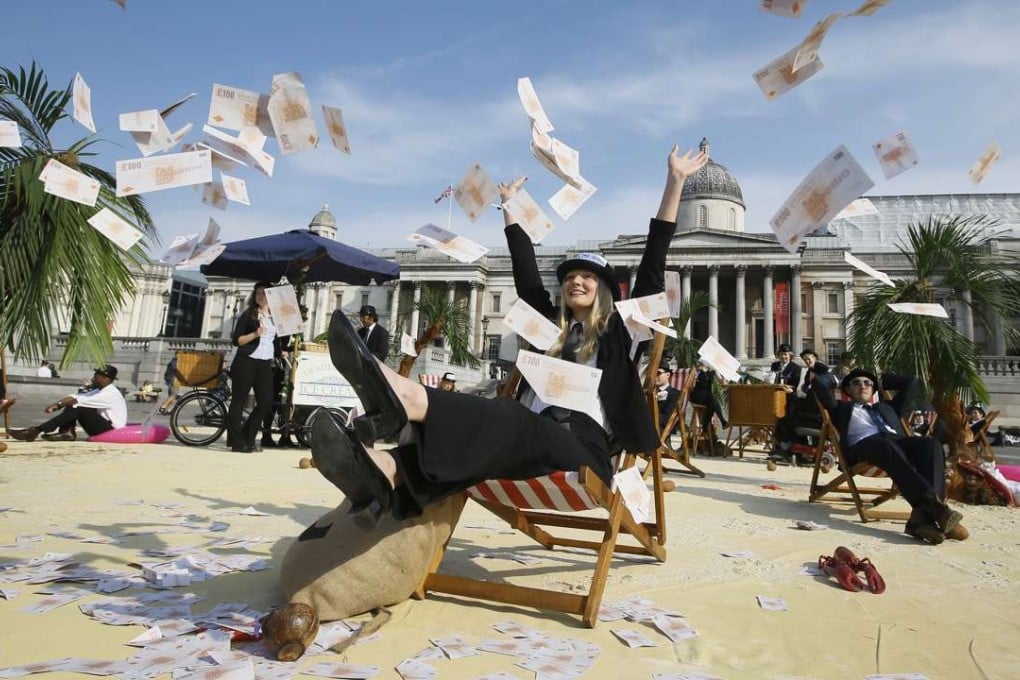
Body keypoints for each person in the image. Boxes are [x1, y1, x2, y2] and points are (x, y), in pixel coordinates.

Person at [308, 144, 708, 524]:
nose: (576, 282)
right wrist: (509, 207)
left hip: (582, 446)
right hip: (529, 439)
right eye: (569, 277)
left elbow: (654, 260)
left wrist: (675, 182)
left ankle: (404, 396)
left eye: (587, 276)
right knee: (490, 429)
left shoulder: (623, 332)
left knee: (508, 418)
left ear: (603, 288)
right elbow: (526, 274)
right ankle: (384, 468)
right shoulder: (550, 329)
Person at [813, 367, 967, 544]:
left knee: (930, 443)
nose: (862, 386)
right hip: (863, 447)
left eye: (867, 383)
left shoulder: (888, 408)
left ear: (873, 389)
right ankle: (939, 510)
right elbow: (819, 383)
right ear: (847, 389)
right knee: (885, 445)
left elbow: (912, 383)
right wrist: (838, 377)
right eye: (856, 383)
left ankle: (921, 520)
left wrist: (881, 380)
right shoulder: (840, 408)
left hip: (897, 444)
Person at [227, 281, 290, 453]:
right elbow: (237, 341)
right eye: (258, 293)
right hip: (246, 361)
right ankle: (237, 442)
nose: (260, 296)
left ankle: (247, 436)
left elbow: (275, 341)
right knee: (238, 402)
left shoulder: (276, 318)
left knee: (265, 402)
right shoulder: (249, 315)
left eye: (264, 293)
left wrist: (280, 352)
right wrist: (255, 333)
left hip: (264, 363)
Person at [8, 366, 126, 442]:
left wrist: (59, 405)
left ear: (107, 379)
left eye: (96, 376)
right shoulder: (99, 391)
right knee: (74, 405)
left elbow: (77, 402)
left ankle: (36, 430)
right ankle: (66, 432)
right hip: (103, 427)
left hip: (112, 431)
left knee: (79, 407)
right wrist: (57, 403)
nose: (93, 379)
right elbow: (75, 397)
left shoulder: (110, 394)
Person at [688, 359, 728, 432]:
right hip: (697, 395)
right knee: (712, 401)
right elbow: (691, 385)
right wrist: (696, 376)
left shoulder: (713, 371)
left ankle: (706, 426)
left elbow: (723, 383)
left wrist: (723, 375)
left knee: (712, 403)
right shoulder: (696, 370)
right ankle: (722, 422)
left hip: (707, 396)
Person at [653, 362, 682, 434]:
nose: (655, 376)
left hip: (659, 431)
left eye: (658, 373)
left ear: (668, 375)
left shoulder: (674, 394)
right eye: (654, 373)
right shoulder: (651, 391)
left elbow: (666, 420)